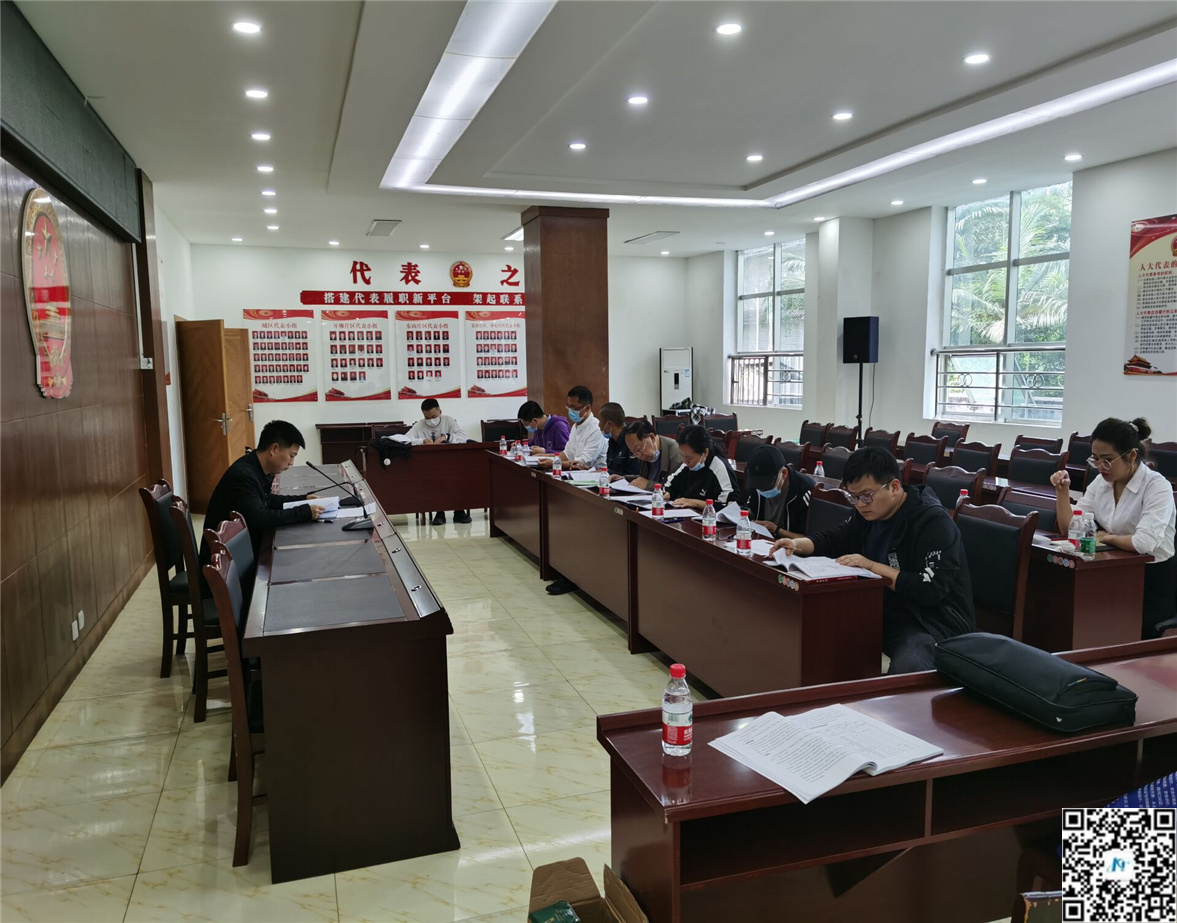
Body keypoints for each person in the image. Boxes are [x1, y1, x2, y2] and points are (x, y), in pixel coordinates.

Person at [770, 446, 974, 674]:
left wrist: (871, 566)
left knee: (911, 662)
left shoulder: (932, 522)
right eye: (853, 497)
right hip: (880, 609)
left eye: (866, 496)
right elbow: (836, 538)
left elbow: (929, 589)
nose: (860, 504)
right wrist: (797, 544)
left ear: (894, 487)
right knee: (818, 628)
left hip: (930, 623)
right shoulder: (868, 512)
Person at [1051, 417, 1176, 638]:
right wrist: (1062, 492)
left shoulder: (1157, 486)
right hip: (1112, 571)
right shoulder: (1102, 483)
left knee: (1111, 626)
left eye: (1107, 460)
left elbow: (1143, 543)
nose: (1100, 467)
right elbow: (1071, 528)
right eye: (1096, 459)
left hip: (1150, 580)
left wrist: (1107, 538)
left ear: (1132, 455)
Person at [200, 420, 326, 563]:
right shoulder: (243, 477)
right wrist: (304, 512)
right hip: (227, 562)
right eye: (291, 456)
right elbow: (259, 519)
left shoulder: (257, 468)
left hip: (240, 552)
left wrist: (304, 499)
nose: (292, 463)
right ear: (274, 449)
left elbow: (267, 500)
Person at [407, 399, 472, 525]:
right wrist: (421, 441)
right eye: (427, 418)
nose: (430, 420)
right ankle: (439, 512)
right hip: (430, 465)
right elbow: (406, 439)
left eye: (433, 417)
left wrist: (447, 437)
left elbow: (464, 437)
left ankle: (459, 511)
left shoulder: (449, 421)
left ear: (440, 411)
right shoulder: (420, 425)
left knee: (457, 476)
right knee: (436, 478)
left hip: (452, 462)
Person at [744, 443, 817, 538]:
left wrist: (776, 530)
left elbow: (810, 539)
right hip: (760, 540)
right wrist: (746, 515)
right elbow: (752, 511)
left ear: (784, 473)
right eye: (758, 486)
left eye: (766, 486)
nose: (762, 490)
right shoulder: (756, 484)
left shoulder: (805, 490)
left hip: (789, 545)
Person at [663, 425, 740, 509]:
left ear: (705, 452)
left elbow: (730, 505)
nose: (684, 461)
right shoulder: (687, 465)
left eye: (689, 458)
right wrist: (668, 493)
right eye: (682, 455)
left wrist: (694, 503)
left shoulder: (719, 467)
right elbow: (670, 485)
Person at [537, 385, 606, 471]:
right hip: (575, 472)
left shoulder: (596, 429)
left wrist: (554, 463)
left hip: (594, 474)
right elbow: (567, 454)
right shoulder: (575, 426)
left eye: (573, 407)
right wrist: (544, 457)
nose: (570, 410)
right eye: (568, 406)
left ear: (587, 408)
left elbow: (583, 462)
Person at [621, 419, 682, 489]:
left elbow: (676, 489)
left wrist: (648, 485)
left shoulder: (676, 454)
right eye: (633, 452)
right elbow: (645, 478)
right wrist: (625, 478)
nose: (639, 456)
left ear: (652, 437)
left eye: (638, 449)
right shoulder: (645, 453)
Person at [599, 402, 641, 478]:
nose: (599, 425)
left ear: (609, 423)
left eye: (600, 421)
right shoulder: (612, 441)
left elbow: (634, 474)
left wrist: (606, 472)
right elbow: (610, 467)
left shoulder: (631, 440)